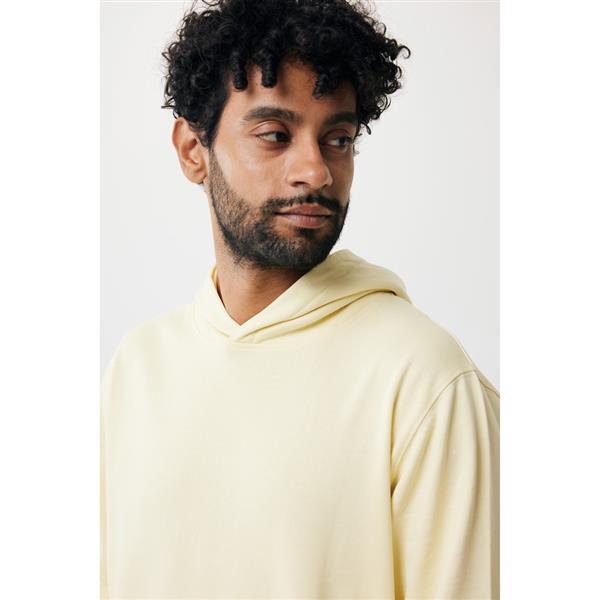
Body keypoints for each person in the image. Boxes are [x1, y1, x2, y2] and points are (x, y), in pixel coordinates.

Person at [100, 0, 499, 598]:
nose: (316, 171)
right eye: (275, 135)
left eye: (338, 138)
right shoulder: (137, 368)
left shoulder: (423, 379)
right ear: (192, 150)